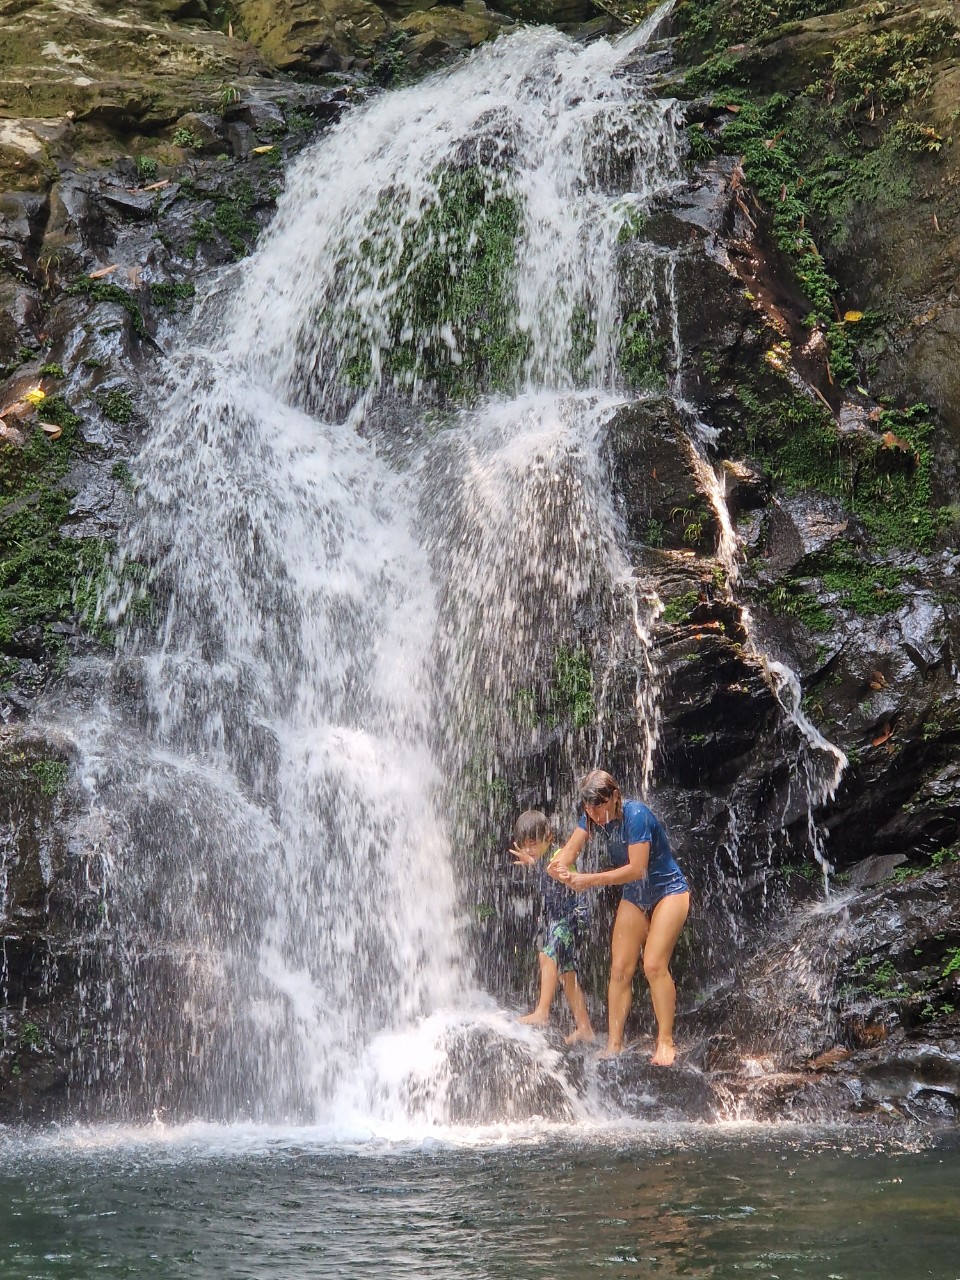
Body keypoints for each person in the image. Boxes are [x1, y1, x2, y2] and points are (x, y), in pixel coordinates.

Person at [550, 769, 689, 1065]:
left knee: (653, 964)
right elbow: (569, 852)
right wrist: (558, 867)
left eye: (599, 807)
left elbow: (637, 869)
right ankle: (614, 1045)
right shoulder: (591, 816)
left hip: (669, 891)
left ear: (614, 796)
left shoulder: (635, 815)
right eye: (588, 808)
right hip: (636, 895)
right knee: (619, 969)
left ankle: (665, 1042)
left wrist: (589, 880)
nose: (594, 815)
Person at [510, 809, 595, 1044]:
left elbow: (571, 875)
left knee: (547, 954)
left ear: (548, 837)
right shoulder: (541, 859)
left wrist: (565, 874)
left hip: (573, 916)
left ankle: (542, 1012)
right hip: (561, 918)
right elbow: (543, 868)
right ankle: (585, 1028)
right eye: (525, 845)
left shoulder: (559, 855)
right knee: (566, 972)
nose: (529, 849)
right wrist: (532, 862)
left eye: (533, 844)